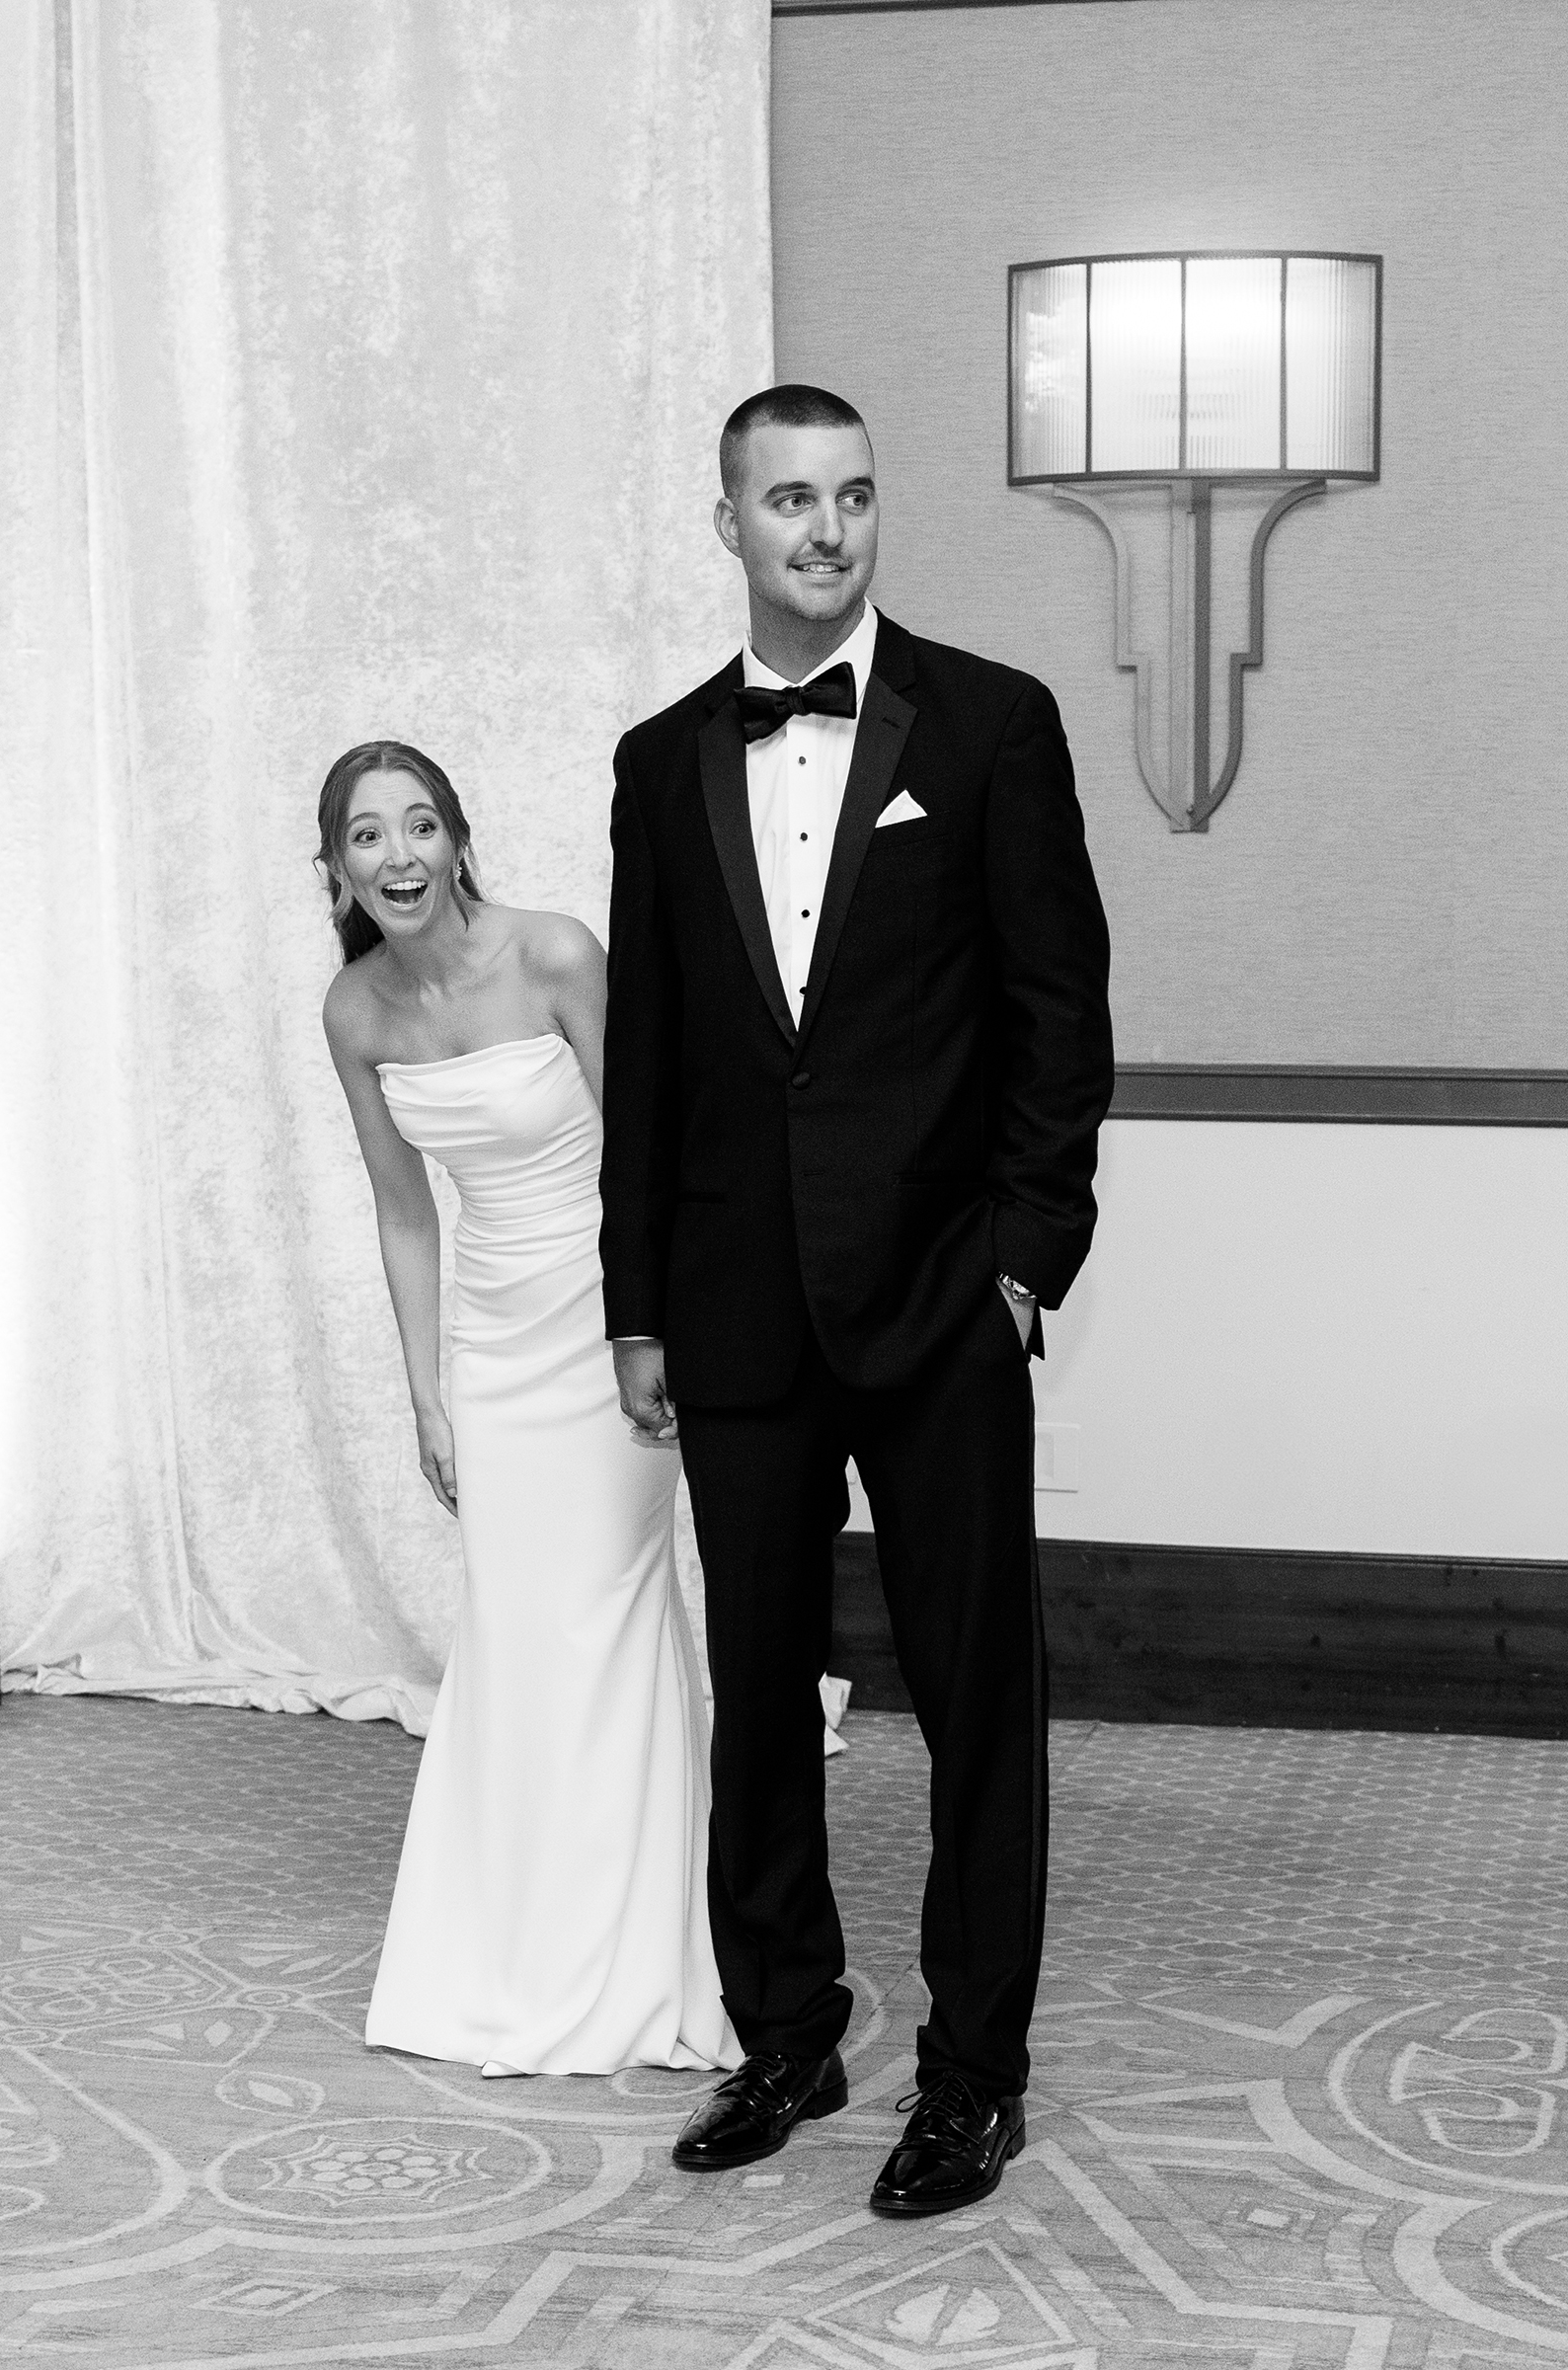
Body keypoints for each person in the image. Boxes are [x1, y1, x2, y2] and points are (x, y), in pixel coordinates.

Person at [599, 386, 1113, 2213]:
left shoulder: (992, 724)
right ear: (727, 523)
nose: (827, 529)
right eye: (789, 500)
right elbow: (650, 1052)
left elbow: (1062, 1011)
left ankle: (974, 2075)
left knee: (980, 1691)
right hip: (735, 1312)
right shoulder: (661, 762)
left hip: (939, 1303)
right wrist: (636, 1307)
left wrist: (1026, 1262)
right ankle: (789, 2033)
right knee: (758, 1685)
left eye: (855, 497)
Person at [317, 739, 737, 2078]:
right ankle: (509, 1948)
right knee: (515, 1634)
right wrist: (427, 1395)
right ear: (332, 866)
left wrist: (650, 1327)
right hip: (494, 1355)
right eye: (369, 835)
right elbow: (402, 1212)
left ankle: (636, 1954)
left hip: (609, 1331)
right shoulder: (356, 1013)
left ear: (457, 837)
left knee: (611, 1622)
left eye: (421, 824)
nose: (399, 855)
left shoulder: (554, 954)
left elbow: (651, 1148)